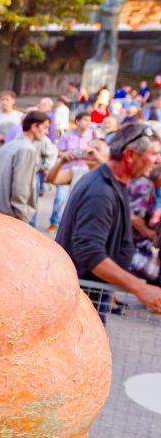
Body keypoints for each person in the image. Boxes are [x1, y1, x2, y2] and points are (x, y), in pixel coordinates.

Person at [56, 123, 161, 317]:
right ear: (129, 155)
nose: (157, 160)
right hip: (81, 302)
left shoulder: (112, 182)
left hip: (91, 297)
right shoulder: (101, 192)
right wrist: (140, 288)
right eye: (154, 153)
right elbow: (89, 252)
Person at [0, 111, 51, 222]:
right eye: (45, 127)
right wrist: (21, 216)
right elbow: (21, 188)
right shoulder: (27, 150)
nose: (47, 132)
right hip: (6, 217)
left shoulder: (9, 146)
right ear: (34, 126)